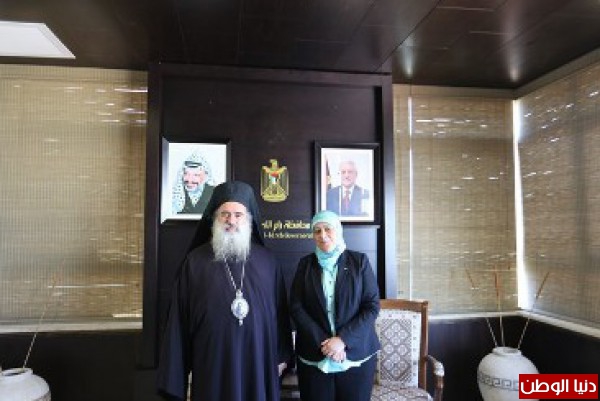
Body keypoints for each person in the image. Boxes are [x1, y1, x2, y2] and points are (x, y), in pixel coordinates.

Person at [157, 181, 292, 401]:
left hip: (258, 362)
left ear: (249, 219)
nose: (232, 220)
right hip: (212, 363)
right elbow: (178, 321)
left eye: (238, 215)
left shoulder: (268, 262)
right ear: (214, 218)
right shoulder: (194, 262)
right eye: (225, 214)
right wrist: (177, 373)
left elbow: (281, 315)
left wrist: (282, 356)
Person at [289, 210, 380, 401]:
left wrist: (342, 340)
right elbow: (296, 307)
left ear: (338, 230)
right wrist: (326, 343)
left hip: (356, 355)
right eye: (317, 231)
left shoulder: (359, 262)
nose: (322, 235)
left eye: (328, 229)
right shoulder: (305, 265)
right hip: (315, 355)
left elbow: (371, 306)